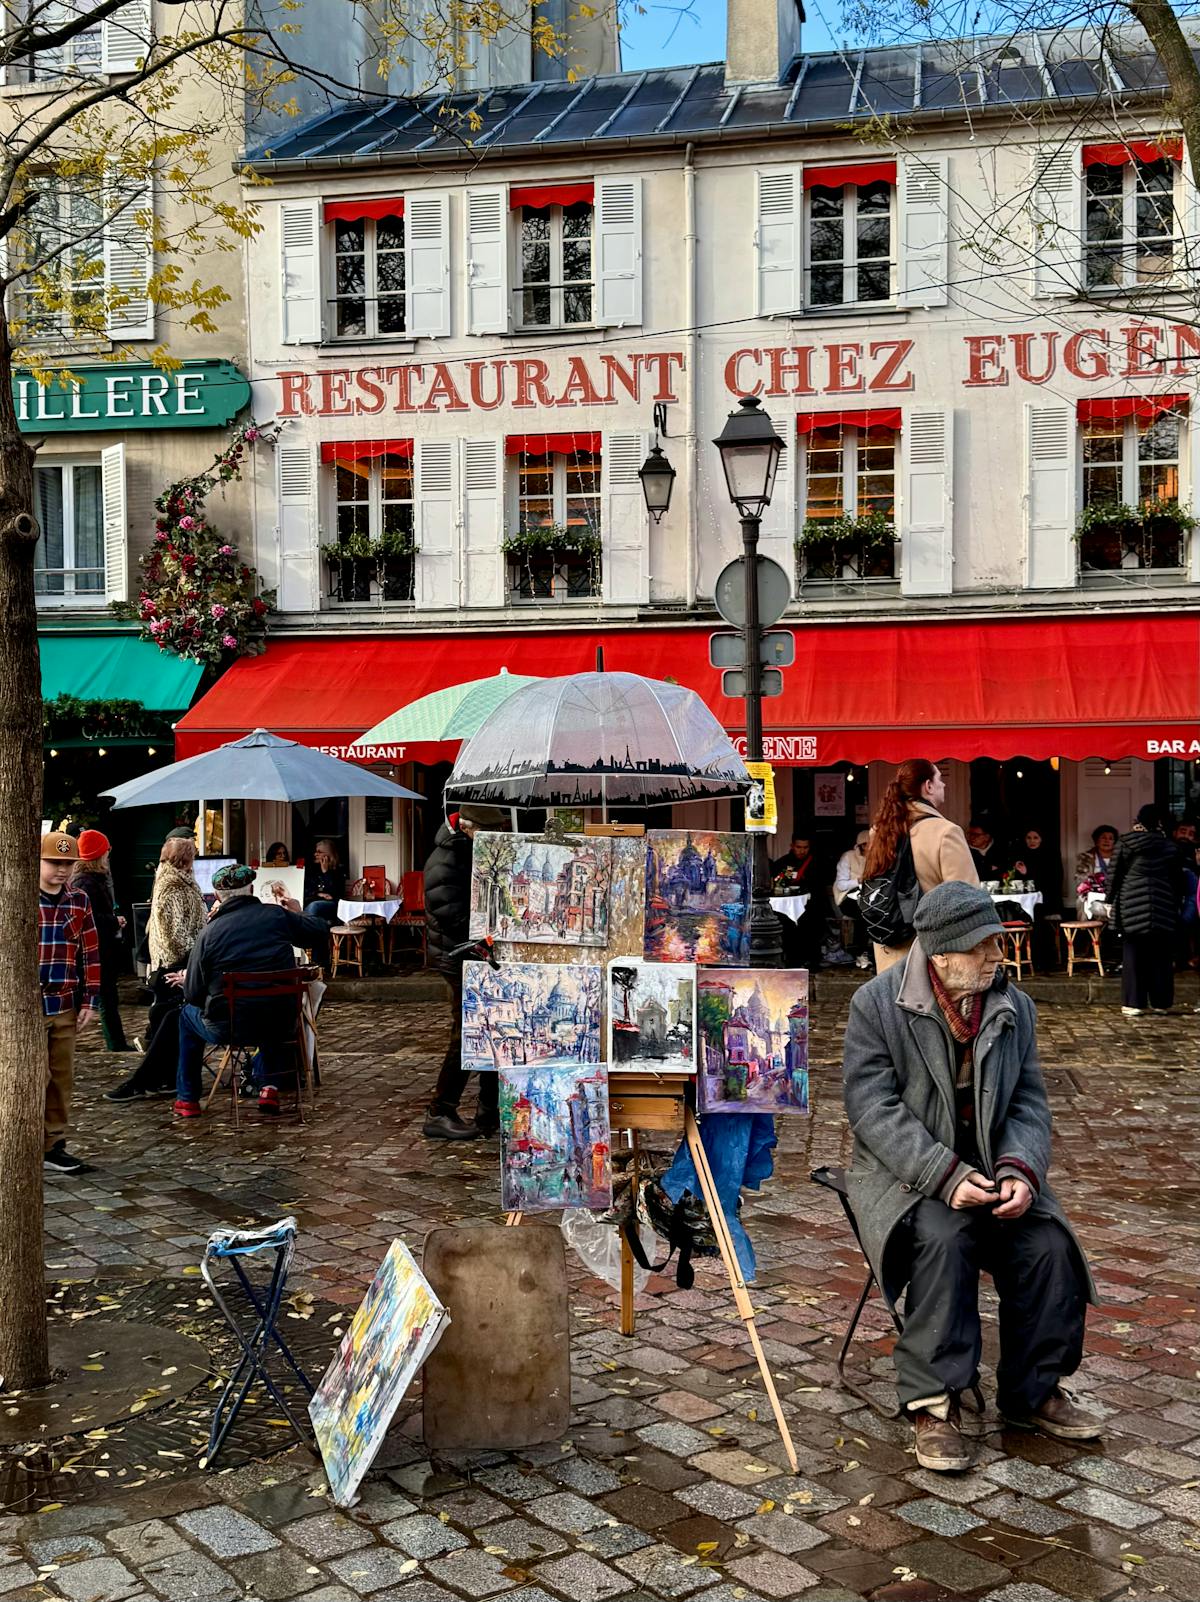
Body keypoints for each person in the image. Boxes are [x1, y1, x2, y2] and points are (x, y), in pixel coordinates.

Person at [842, 881, 1100, 1472]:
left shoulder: (1013, 1006)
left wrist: (1020, 1170)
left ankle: (1033, 1392)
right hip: (909, 1174)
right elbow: (872, 1108)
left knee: (1050, 1244)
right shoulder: (877, 1005)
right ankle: (934, 1405)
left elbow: (1029, 1101)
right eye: (983, 947)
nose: (996, 956)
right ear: (941, 954)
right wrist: (941, 1172)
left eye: (997, 943)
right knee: (945, 1237)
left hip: (990, 1167)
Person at [174, 864, 330, 1118]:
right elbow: (319, 931)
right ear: (252, 889)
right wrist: (298, 914)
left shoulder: (209, 932)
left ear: (216, 896)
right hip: (280, 1022)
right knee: (270, 1003)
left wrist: (208, 998)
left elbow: (192, 993)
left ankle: (187, 1098)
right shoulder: (276, 916)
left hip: (230, 1025)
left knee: (186, 1016)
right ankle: (268, 1086)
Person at [105, 834, 207, 1103]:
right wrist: (195, 955)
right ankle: (160, 1080)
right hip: (175, 967)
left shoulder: (176, 883)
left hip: (175, 964)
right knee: (169, 1021)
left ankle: (164, 1080)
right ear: (186, 859)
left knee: (166, 1022)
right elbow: (175, 933)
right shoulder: (174, 886)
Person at [423, 805, 504, 1141]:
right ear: (469, 828)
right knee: (467, 1034)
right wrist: (487, 929)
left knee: (492, 1027)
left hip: (474, 956)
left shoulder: (466, 851)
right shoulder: (448, 859)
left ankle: (489, 1109)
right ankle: (440, 1111)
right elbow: (450, 911)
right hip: (457, 958)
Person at [862, 759, 979, 973]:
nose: (944, 785)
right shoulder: (946, 832)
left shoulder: (879, 831)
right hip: (932, 952)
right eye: (939, 780)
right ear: (928, 786)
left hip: (888, 946)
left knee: (894, 1004)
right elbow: (967, 898)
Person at [39, 832, 101, 1175]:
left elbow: (90, 952)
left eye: (68, 864)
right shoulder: (19, 898)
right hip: (25, 1007)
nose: (62, 870)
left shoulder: (79, 900)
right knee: (29, 1077)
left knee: (62, 1077)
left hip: (63, 1002)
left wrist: (90, 1000)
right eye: (54, 863)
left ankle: (53, 1144)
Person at [1108, 805, 1183, 1017]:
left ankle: (1134, 1002)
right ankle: (1161, 1002)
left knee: (1133, 953)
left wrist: (1109, 900)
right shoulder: (1169, 845)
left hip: (1131, 902)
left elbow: (1114, 875)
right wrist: (1174, 901)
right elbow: (1178, 879)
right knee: (1161, 955)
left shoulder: (1125, 842)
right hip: (1163, 903)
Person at [69, 830, 131, 1053]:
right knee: (99, 998)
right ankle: (112, 1043)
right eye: (105, 852)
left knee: (107, 998)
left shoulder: (93, 880)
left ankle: (116, 1043)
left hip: (100, 949)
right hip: (92, 951)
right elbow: (89, 918)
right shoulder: (85, 883)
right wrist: (114, 921)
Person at [770, 834, 827, 971]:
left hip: (812, 904)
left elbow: (822, 883)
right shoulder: (783, 862)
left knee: (812, 931)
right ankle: (793, 960)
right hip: (788, 904)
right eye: (798, 847)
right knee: (789, 931)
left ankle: (813, 961)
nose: (802, 851)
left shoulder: (817, 862)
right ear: (792, 846)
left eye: (805, 847)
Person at [1010, 826, 1063, 971]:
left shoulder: (1050, 855)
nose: (1032, 841)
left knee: (1036, 917)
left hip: (1048, 900)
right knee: (1014, 913)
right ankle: (1019, 958)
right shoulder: (1022, 855)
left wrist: (1029, 872)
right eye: (1028, 838)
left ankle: (1041, 959)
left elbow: (1051, 881)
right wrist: (1020, 872)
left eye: (1035, 838)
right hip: (1027, 900)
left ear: (1041, 839)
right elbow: (1018, 883)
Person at [834, 828, 872, 969]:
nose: (870, 847)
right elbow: (841, 884)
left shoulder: (877, 858)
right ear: (860, 845)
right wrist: (859, 880)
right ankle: (861, 953)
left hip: (870, 897)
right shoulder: (848, 857)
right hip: (847, 897)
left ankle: (874, 951)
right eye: (867, 844)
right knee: (864, 914)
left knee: (877, 911)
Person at [303, 839, 347, 926]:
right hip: (314, 901)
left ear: (328, 855)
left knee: (314, 906)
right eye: (316, 852)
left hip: (332, 906)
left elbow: (335, 894)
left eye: (319, 852)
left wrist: (326, 872)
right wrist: (319, 894)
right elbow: (306, 890)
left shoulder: (338, 871)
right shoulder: (313, 870)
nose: (315, 854)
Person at [1074, 824, 1118, 892]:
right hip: (1093, 895)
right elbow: (1080, 881)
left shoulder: (1122, 858)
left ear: (1114, 843)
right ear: (1097, 841)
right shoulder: (1085, 858)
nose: (1107, 841)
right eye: (1103, 838)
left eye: (1111, 838)